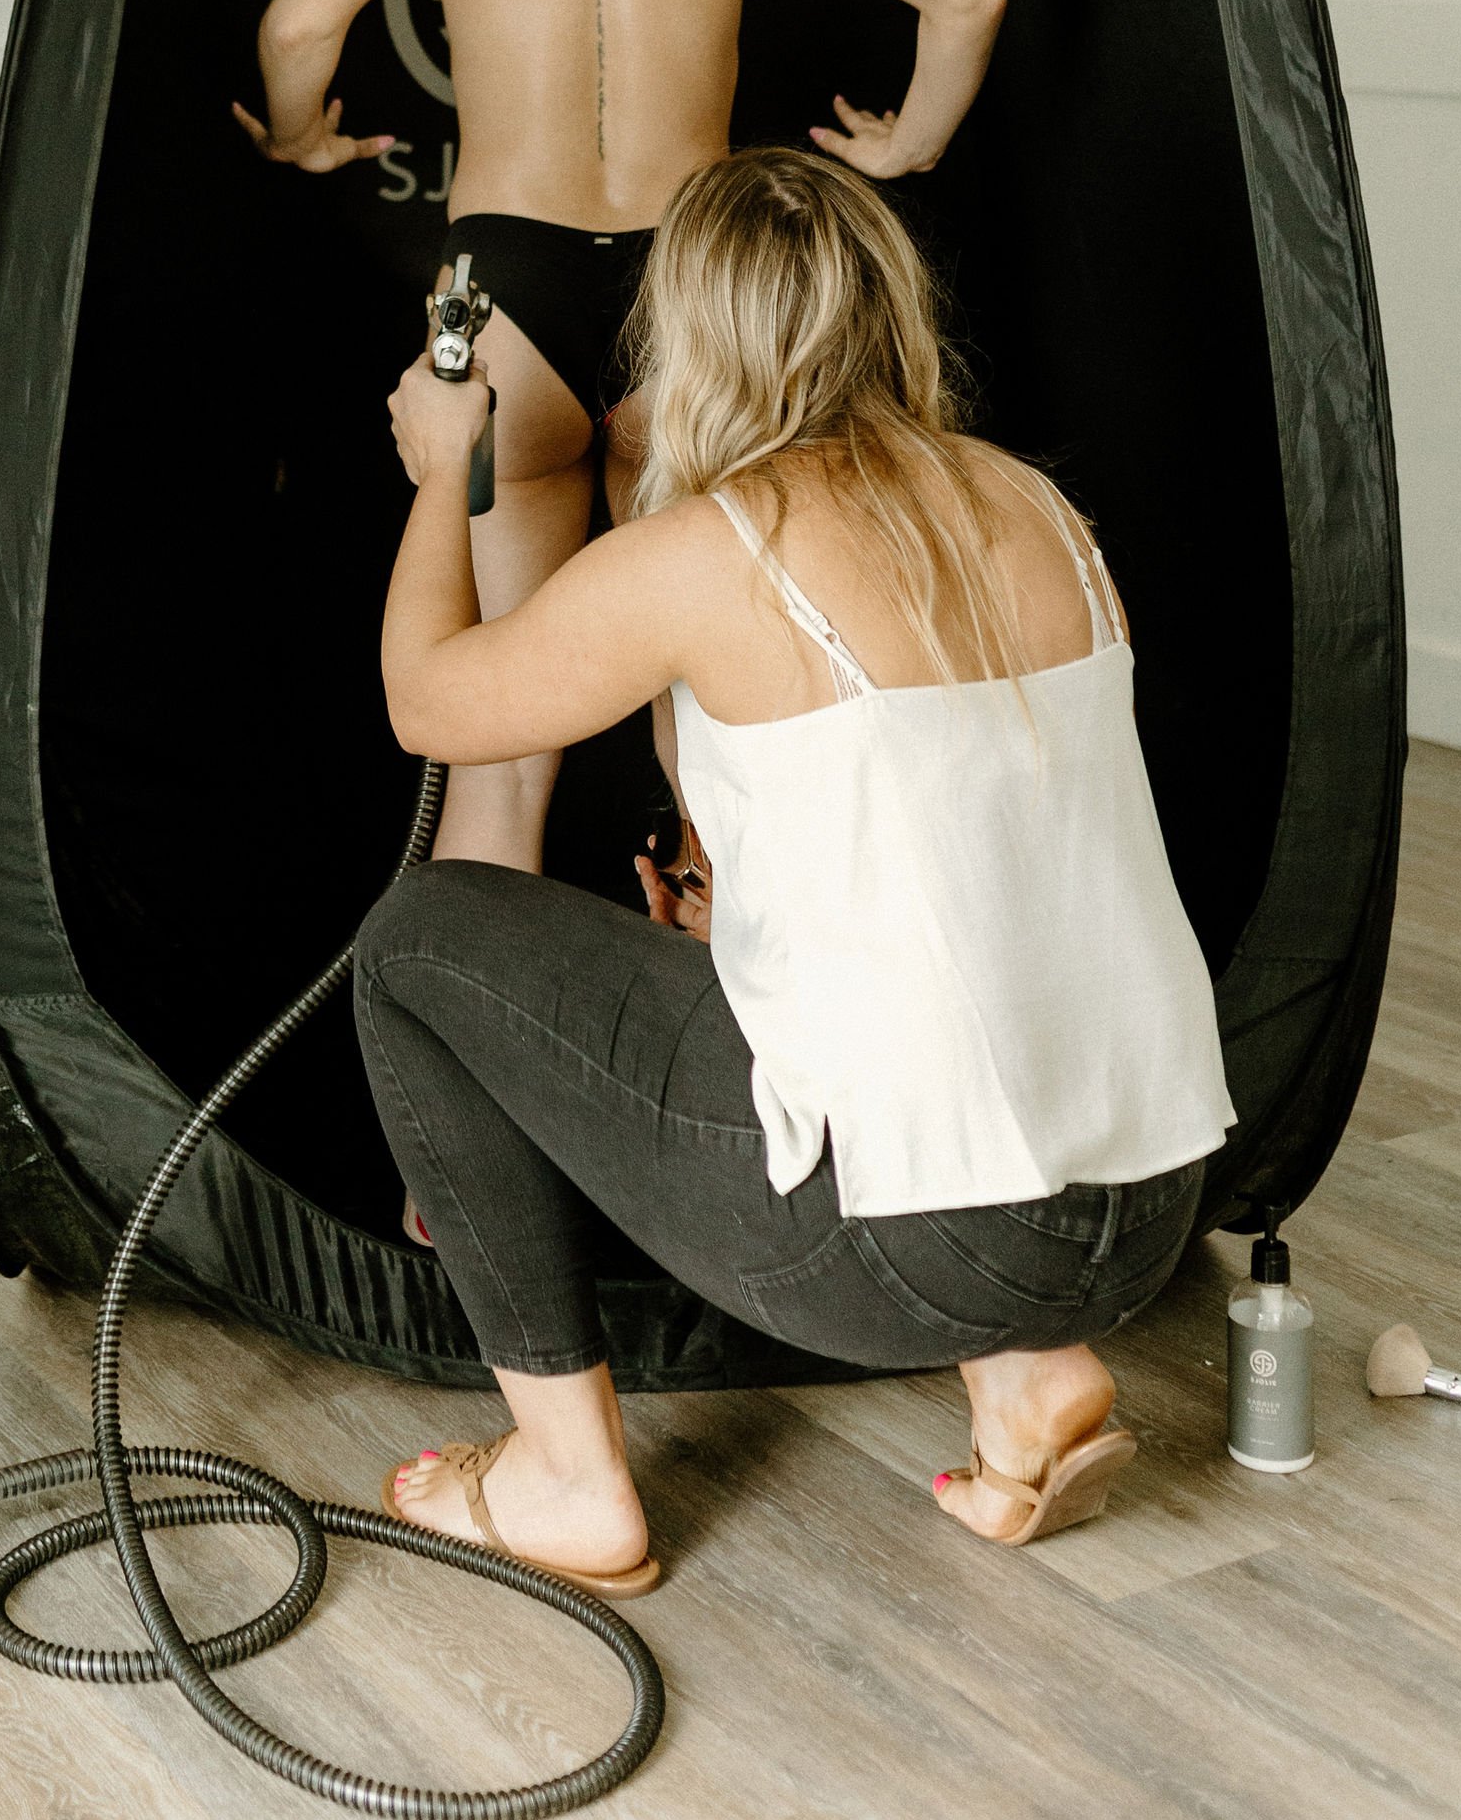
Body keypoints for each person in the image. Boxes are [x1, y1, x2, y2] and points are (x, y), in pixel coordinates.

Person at [354, 145, 1234, 1582]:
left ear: (687, 337)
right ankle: (1027, 1373)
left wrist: (447, 469)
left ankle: (568, 1479)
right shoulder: (1040, 513)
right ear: (893, 313)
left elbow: (428, 702)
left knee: (418, 941)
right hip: (1142, 1219)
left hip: (914, 1250)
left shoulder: (710, 551)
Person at [234, 0, 1008, 873]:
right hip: (691, 298)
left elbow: (302, 19)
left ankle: (470, 1063)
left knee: (497, 740)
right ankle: (740, 1057)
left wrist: (306, 139)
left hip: (502, 294)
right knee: (712, 711)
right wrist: (908, 144)